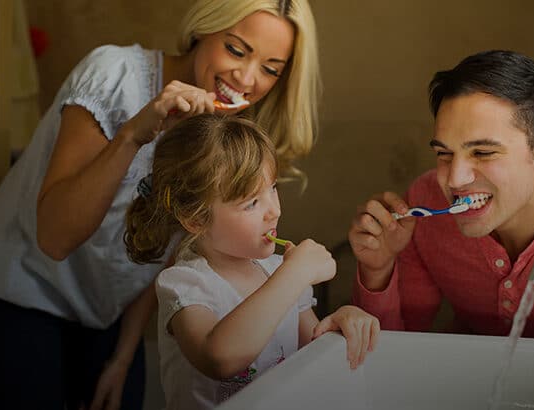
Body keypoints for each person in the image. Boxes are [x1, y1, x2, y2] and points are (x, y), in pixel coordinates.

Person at [0, 1, 321, 409]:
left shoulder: (221, 132)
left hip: (109, 317)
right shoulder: (114, 74)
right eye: (236, 50)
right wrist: (133, 134)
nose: (247, 78)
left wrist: (123, 355)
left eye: (271, 68)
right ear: (204, 29)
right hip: (23, 293)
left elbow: (160, 248)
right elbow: (55, 239)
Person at [349, 50, 534, 342]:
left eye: (483, 153)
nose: (454, 180)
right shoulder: (425, 201)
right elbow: (392, 353)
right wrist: (378, 269)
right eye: (444, 154)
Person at [124, 113, 379, 410]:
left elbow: (312, 355)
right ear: (195, 219)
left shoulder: (278, 273)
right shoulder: (185, 284)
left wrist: (341, 320)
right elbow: (219, 357)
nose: (274, 211)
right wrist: (295, 274)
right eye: (251, 203)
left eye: (272, 188)